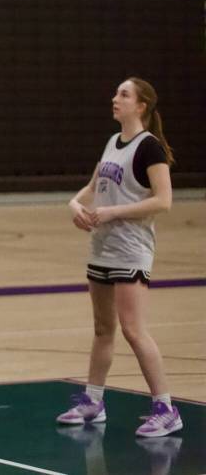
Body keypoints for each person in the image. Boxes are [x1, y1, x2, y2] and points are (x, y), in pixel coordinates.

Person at [57, 77, 182, 438]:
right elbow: (95, 188)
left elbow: (164, 200)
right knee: (102, 329)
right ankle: (93, 401)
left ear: (141, 106)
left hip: (131, 250)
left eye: (123, 94)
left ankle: (166, 408)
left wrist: (113, 213)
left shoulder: (149, 148)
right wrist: (74, 205)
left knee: (133, 329)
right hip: (102, 249)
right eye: (116, 93)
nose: (115, 99)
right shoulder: (113, 142)